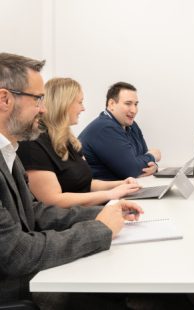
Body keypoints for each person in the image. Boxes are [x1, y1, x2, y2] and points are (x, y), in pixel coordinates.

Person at [0, 53, 142, 305]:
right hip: (13, 287)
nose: (43, 108)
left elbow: (33, 212)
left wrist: (102, 213)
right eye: (37, 99)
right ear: (5, 98)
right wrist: (100, 229)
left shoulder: (8, 151)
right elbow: (17, 253)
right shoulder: (21, 148)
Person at [17, 78, 142, 208]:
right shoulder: (32, 144)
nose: (83, 108)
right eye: (80, 102)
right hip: (71, 220)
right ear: (64, 104)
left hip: (87, 210)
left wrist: (120, 184)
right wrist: (110, 194)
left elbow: (86, 184)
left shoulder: (67, 140)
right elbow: (52, 200)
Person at [79, 82, 161, 180]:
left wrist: (154, 166)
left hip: (124, 187)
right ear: (111, 104)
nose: (134, 110)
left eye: (135, 104)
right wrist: (153, 155)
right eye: (128, 104)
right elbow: (131, 170)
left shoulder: (131, 125)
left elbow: (144, 159)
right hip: (103, 192)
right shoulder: (105, 128)